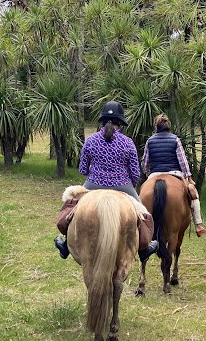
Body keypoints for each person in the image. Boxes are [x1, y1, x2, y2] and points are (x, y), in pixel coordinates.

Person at [54, 101, 159, 261]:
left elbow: (82, 170)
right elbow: (136, 173)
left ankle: (66, 244)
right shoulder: (128, 142)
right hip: (122, 186)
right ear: (120, 122)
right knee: (143, 214)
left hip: (93, 185)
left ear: (102, 121)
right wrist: (131, 184)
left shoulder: (91, 140)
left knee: (72, 209)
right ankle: (144, 248)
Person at [141, 113, 206, 237]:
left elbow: (145, 162)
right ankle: (198, 225)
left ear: (157, 127)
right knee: (193, 193)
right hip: (174, 173)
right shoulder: (175, 139)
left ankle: (140, 226)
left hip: (155, 173)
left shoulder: (149, 141)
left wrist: (147, 172)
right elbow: (182, 161)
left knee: (142, 195)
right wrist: (189, 178)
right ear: (168, 127)